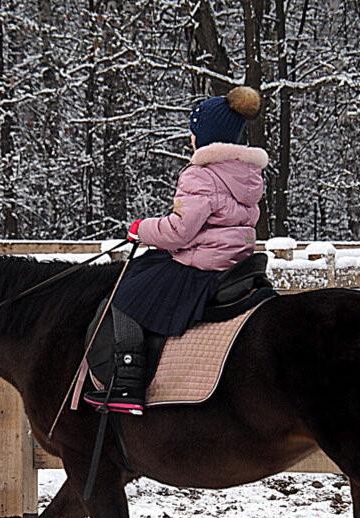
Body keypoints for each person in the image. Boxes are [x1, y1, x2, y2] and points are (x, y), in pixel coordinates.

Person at [83, 85, 267, 415]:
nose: (191, 140)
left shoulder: (201, 174)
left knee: (128, 294)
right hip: (233, 262)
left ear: (208, 137)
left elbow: (181, 231)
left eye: (194, 133)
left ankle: (126, 381)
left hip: (202, 267)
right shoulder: (247, 174)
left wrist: (141, 229)